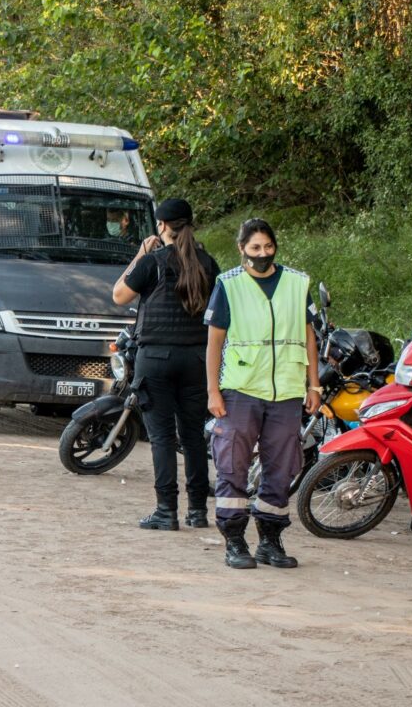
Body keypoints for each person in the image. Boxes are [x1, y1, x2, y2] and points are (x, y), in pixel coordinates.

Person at [205, 218, 322, 569]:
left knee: (282, 467)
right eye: (254, 248)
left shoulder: (297, 283)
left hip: (286, 391)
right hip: (241, 389)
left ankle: (270, 541)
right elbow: (214, 341)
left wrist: (313, 383)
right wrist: (213, 390)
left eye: (267, 247)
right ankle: (235, 541)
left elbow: (309, 336)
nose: (262, 254)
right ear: (242, 249)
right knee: (233, 465)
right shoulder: (229, 284)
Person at [112, 198, 220, 532]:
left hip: (156, 358)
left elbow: (119, 295)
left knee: (161, 437)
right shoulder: (208, 263)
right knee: (191, 437)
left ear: (161, 227)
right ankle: (199, 510)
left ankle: (166, 510)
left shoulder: (152, 262)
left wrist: (142, 253)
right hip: (197, 359)